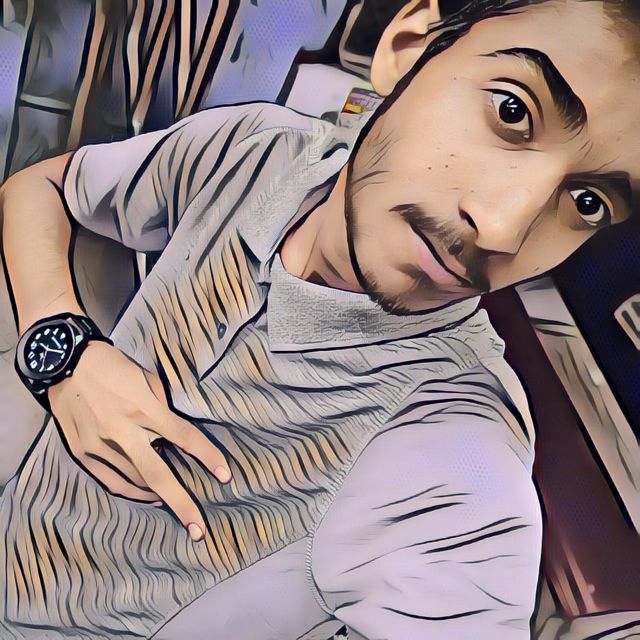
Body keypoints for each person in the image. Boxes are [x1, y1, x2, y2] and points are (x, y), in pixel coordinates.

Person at [0, 0, 638, 637]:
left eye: (587, 202)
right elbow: (41, 188)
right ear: (409, 49)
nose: (503, 229)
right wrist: (64, 354)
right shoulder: (255, 150)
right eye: (512, 112)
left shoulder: (450, 445)